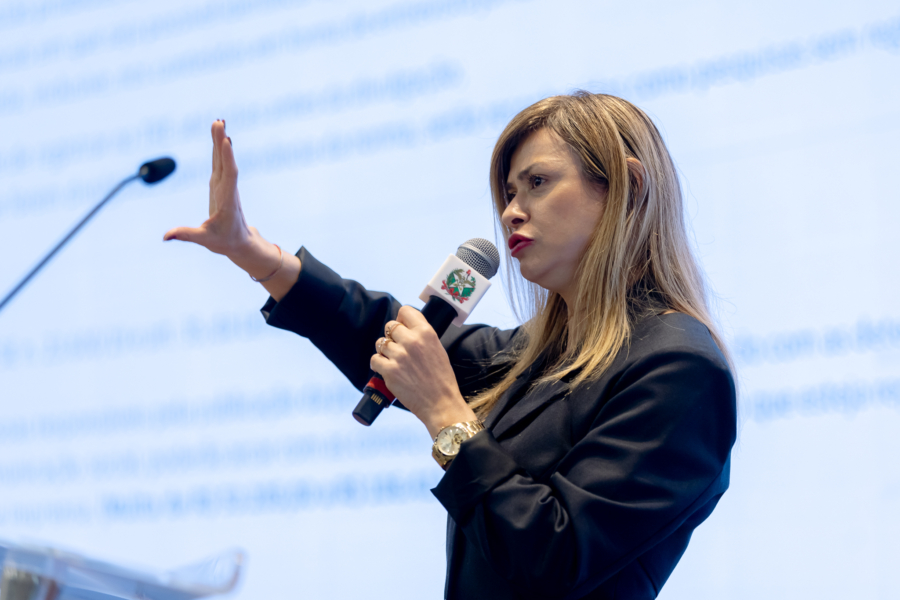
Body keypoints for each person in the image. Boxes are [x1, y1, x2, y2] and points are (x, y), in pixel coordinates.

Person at [164, 92, 737, 600]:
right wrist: (255, 255)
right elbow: (389, 335)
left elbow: (556, 558)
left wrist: (446, 415)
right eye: (509, 192)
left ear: (628, 188)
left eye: (538, 183)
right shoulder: (542, 354)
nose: (511, 210)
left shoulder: (679, 367)